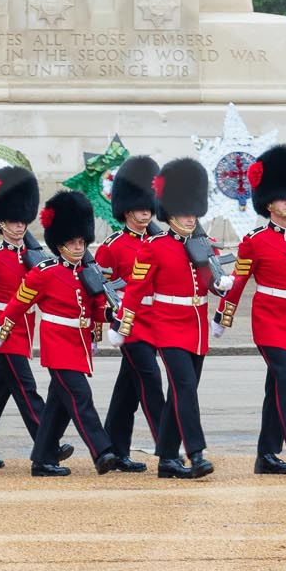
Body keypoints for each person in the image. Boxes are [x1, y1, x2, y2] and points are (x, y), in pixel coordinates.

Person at [214, 143, 286, 475]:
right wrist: (224, 315)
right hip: (268, 320)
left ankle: (266, 455)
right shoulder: (255, 240)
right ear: (268, 202)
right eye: (282, 196)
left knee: (277, 388)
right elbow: (238, 279)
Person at [0, 189, 120, 476]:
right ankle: (102, 451)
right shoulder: (44, 273)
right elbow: (19, 304)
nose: (78, 247)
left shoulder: (88, 272)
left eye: (82, 242)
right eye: (72, 242)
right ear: (59, 244)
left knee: (58, 406)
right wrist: (1, 329)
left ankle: (42, 459)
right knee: (80, 398)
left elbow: (95, 309)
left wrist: (111, 314)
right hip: (57, 345)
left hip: (79, 344)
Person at [115, 156, 226, 478]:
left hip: (197, 326)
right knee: (186, 389)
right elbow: (135, 290)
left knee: (181, 391)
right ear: (170, 214)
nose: (190, 218)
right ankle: (195, 453)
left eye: (193, 212)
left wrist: (221, 287)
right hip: (167, 325)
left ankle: (166, 458)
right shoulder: (154, 247)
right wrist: (124, 323)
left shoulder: (204, 246)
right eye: (184, 213)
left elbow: (210, 284)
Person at [0, 165, 62, 468]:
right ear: (1, 223)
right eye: (12, 222)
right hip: (2, 328)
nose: (19, 227)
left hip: (25, 326)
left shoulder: (34, 256)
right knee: (25, 388)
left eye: (22, 221)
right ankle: (48, 446)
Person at [93, 155, 162, 473]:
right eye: (139, 206)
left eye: (148, 206)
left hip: (158, 321)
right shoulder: (112, 247)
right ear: (126, 209)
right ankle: (169, 446)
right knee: (150, 380)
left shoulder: (162, 242)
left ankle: (113, 449)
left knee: (128, 389)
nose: (145, 212)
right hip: (130, 324)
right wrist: (105, 324)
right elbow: (101, 290)